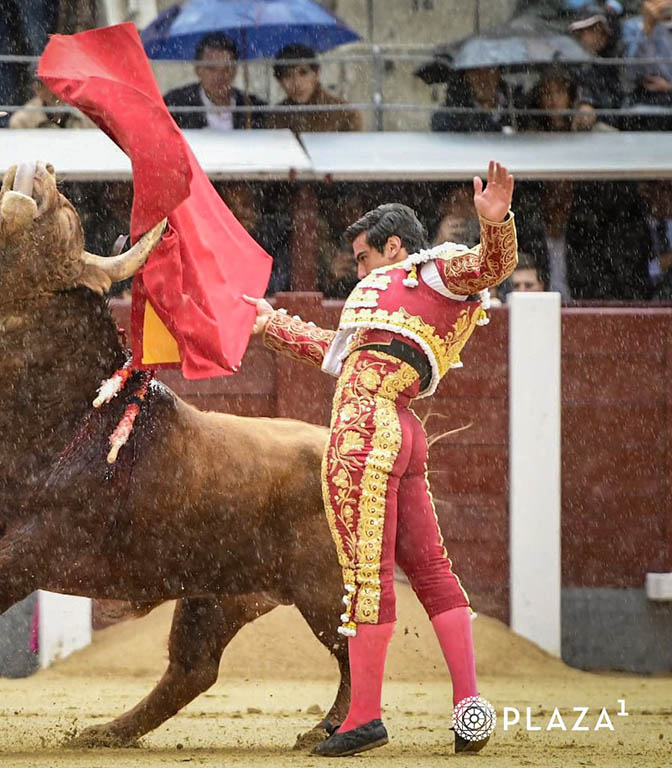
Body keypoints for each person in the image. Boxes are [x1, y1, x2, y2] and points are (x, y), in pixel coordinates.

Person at [245, 161, 518, 757]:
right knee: (431, 568)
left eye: (365, 258)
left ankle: (364, 716)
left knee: (367, 579)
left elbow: (491, 265)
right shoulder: (403, 302)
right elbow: (340, 352)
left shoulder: (436, 271)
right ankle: (468, 707)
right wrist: (273, 325)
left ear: (396, 246)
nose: (359, 271)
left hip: (368, 427)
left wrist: (495, 224)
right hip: (401, 427)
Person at [163, 32, 268, 130]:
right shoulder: (175, 105)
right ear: (198, 69)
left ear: (235, 70)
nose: (219, 76)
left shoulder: (253, 108)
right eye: (211, 68)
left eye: (226, 69)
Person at [269, 43, 361, 134]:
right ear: (279, 81)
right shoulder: (275, 116)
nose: (296, 83)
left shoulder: (345, 113)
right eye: (287, 75)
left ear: (316, 74)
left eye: (303, 73)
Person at [568, 3, 624, 131]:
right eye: (582, 31)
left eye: (593, 29)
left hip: (618, 129)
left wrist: (592, 106)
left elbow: (619, 97)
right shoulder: (575, 62)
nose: (586, 36)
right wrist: (584, 103)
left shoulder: (619, 59)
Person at [622, 0, 672, 130]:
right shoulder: (632, 26)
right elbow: (633, 72)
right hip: (644, 97)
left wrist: (669, 87)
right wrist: (647, 30)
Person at [431, 67, 512, 133]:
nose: (483, 77)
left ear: (498, 73)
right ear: (467, 77)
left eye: (489, 70)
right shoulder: (451, 112)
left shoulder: (516, 104)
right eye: (475, 72)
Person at [9, 73, 94, 129]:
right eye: (37, 83)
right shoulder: (22, 120)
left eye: (42, 82)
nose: (37, 88)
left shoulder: (88, 116)